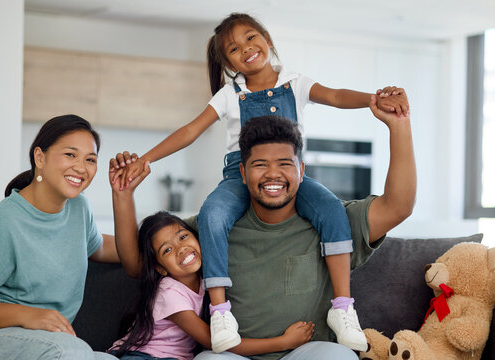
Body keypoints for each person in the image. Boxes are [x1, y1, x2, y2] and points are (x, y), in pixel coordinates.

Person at [111, 12, 409, 353]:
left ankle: (342, 308)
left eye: (251, 38)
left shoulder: (295, 82)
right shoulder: (229, 94)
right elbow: (192, 130)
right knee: (211, 214)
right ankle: (221, 311)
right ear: (228, 63)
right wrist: (145, 159)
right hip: (237, 175)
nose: (246, 49)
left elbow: (337, 96)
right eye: (234, 49)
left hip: (291, 178)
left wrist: (374, 100)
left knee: (330, 208)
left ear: (267, 38)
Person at [189, 93, 416, 359]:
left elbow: (398, 207)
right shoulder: (215, 225)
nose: (273, 173)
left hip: (307, 352)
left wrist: (399, 125)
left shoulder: (334, 223)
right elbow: (138, 261)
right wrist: (125, 195)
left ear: (301, 170)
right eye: (259, 165)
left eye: (285, 164)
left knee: (338, 357)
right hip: (236, 355)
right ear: (242, 173)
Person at [0, 115, 119, 360]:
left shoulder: (78, 209)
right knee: (72, 352)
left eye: (90, 159)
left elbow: (104, 247)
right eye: (70, 154)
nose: (81, 167)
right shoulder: (2, 223)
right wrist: (29, 315)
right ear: (40, 157)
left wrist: (161, 240)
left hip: (42, 341)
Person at [107, 166, 315, 360]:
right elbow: (219, 342)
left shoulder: (209, 276)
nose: (181, 249)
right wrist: (283, 342)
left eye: (183, 237)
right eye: (167, 250)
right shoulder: (169, 293)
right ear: (160, 268)